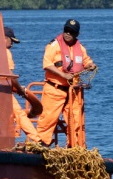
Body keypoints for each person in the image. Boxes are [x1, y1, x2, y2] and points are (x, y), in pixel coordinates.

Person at [35, 18, 97, 146]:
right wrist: (63, 75)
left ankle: (74, 147)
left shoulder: (80, 48)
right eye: (66, 30)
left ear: (76, 35)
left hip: (73, 92)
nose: (68, 34)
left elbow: (86, 60)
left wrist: (90, 65)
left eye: (71, 32)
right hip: (54, 89)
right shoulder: (53, 46)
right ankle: (40, 146)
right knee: (48, 119)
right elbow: (47, 64)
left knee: (76, 121)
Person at [4, 25, 39, 141]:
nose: (12, 45)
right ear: (4, 38)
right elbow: (11, 76)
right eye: (11, 41)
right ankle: (37, 140)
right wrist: (19, 90)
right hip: (3, 92)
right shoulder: (6, 53)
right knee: (19, 113)